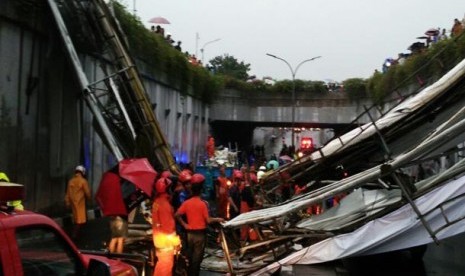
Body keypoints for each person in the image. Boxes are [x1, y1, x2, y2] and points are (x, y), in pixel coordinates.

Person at [175, 174, 224, 276]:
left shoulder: (186, 203)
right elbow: (208, 220)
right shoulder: (203, 204)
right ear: (201, 191)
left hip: (189, 234)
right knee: (197, 259)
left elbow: (177, 215)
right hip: (200, 235)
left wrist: (185, 225)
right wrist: (218, 219)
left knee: (190, 256)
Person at [152, 177, 180, 276]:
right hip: (166, 242)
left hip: (159, 239)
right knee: (166, 268)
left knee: (160, 265)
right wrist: (176, 241)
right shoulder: (165, 205)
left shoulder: (157, 201)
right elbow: (168, 227)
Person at [65, 165, 91, 240]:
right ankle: (74, 235)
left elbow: (67, 193)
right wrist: (89, 199)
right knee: (79, 220)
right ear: (82, 172)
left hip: (73, 202)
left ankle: (76, 233)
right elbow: (87, 192)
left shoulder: (71, 181)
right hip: (80, 203)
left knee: (76, 218)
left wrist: (67, 202)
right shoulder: (83, 181)